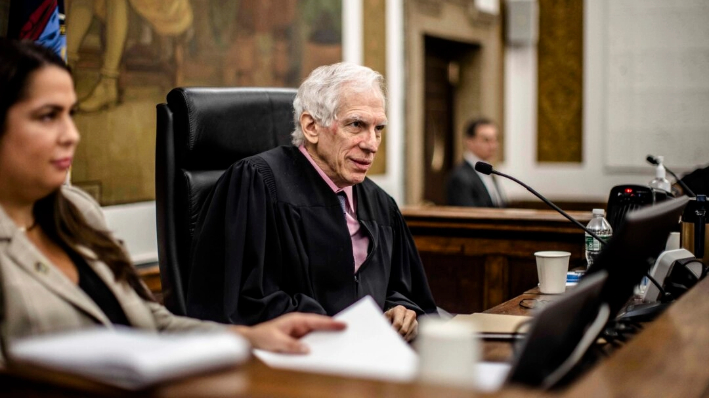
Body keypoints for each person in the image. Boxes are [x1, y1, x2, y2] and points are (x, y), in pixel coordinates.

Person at [0, 39, 345, 365]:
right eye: (48, 116)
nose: (71, 135)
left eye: (70, 115)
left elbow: (153, 322)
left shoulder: (78, 211)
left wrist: (248, 338)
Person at [188, 63, 438, 341]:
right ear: (311, 127)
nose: (372, 143)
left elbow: (406, 293)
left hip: (373, 359)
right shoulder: (256, 184)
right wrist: (342, 329)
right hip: (294, 362)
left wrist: (400, 311)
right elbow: (243, 301)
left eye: (378, 128)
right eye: (356, 125)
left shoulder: (380, 204)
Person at [446, 118, 506, 208]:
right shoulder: (460, 177)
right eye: (486, 140)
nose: (493, 146)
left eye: (495, 139)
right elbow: (467, 215)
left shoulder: (489, 171)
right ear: (469, 141)